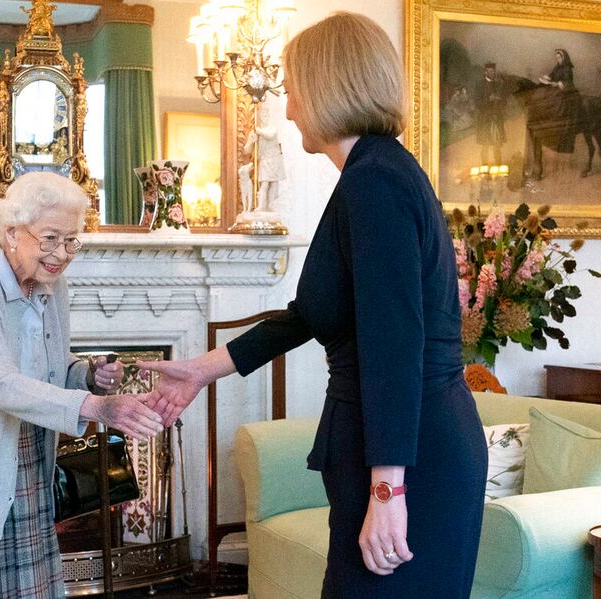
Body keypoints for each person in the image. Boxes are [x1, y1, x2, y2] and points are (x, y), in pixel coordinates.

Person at [140, 12, 487, 598]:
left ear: (329, 85)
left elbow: (394, 342)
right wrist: (201, 370)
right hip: (402, 447)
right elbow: (311, 313)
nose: (289, 102)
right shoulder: (371, 173)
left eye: (293, 84)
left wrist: (388, 490)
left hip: (414, 456)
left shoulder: (374, 180)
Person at [0, 172, 164, 598]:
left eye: (71, 241)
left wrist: (85, 373)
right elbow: (0, 383)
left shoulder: (51, 284)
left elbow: (46, 363)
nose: (61, 254)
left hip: (26, 456)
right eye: (49, 238)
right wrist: (97, 407)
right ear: (12, 232)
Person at [474, 62, 506, 164]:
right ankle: (485, 167)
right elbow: (477, 102)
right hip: (484, 119)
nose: (492, 73)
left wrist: (500, 100)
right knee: (485, 144)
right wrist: (489, 99)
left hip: (496, 118)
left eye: (493, 71)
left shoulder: (499, 84)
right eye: (490, 71)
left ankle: (499, 165)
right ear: (485, 72)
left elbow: (505, 102)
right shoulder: (479, 85)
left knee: (497, 144)